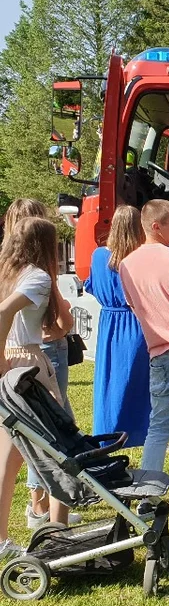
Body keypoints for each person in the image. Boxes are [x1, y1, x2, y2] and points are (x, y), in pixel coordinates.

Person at [0, 218, 76, 560]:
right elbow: (3, 312)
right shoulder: (38, 277)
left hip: (14, 364)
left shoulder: (7, 273)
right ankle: (58, 531)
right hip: (28, 364)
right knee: (61, 448)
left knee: (7, 457)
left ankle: (2, 539)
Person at [119, 200, 169, 475]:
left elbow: (133, 306)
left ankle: (148, 493)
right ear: (156, 226)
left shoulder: (126, 266)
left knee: (160, 425)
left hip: (159, 354)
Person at [84, 205, 151, 450]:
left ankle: (107, 432)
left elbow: (90, 285)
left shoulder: (99, 255)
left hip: (109, 323)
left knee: (109, 380)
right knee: (138, 382)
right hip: (136, 322)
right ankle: (137, 432)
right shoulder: (139, 257)